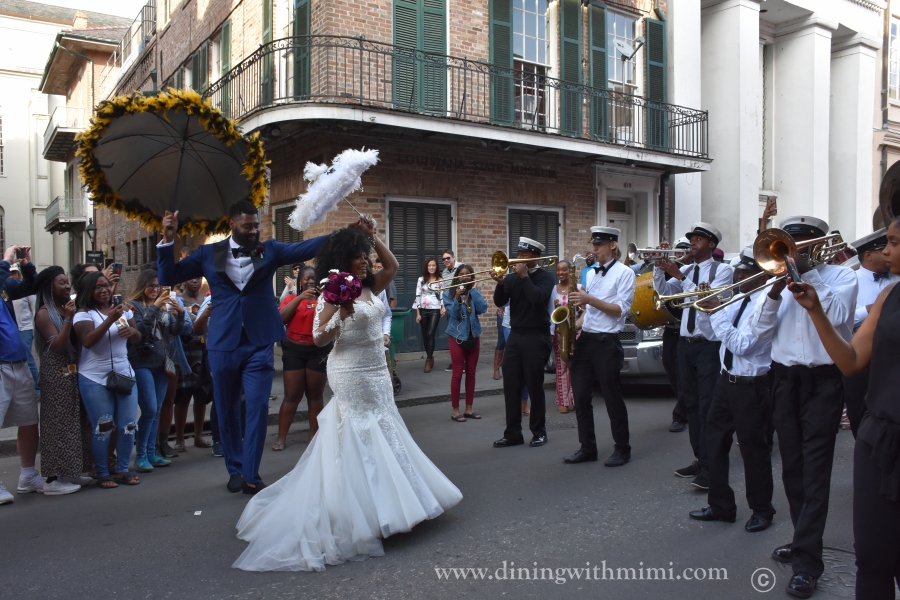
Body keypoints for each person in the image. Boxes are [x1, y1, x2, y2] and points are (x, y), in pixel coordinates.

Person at [233, 221, 462, 572]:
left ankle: (398, 504)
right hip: (349, 371)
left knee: (386, 427)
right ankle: (369, 514)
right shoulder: (331, 292)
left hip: (377, 369)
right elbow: (320, 338)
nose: (365, 260)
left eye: (365, 254)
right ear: (342, 260)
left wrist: (372, 237)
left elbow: (394, 266)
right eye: (358, 255)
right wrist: (339, 316)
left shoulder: (373, 285)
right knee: (359, 434)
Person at [157, 200, 326, 494]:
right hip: (224, 341)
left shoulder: (270, 249)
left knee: (258, 405)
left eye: (256, 225)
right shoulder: (208, 253)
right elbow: (168, 276)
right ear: (232, 224)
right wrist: (169, 239)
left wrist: (349, 233)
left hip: (260, 340)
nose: (253, 230)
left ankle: (251, 473)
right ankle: (234, 469)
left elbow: (306, 248)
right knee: (227, 408)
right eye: (247, 225)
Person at [747, 215, 858, 599]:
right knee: (792, 468)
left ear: (816, 246)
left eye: (799, 246)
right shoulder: (772, 283)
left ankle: (807, 564)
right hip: (783, 379)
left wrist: (809, 279)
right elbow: (758, 334)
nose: (790, 253)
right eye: (786, 246)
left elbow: (840, 317)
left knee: (815, 471)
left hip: (823, 382)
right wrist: (775, 292)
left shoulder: (842, 277)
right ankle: (802, 540)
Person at [791, 216, 900, 599]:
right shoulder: (889, 298)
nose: (885, 252)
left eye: (894, 243)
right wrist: (816, 311)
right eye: (886, 242)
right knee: (871, 558)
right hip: (879, 437)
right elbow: (852, 361)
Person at [688, 247, 775, 533]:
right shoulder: (738, 297)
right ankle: (721, 506)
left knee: (754, 451)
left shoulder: (767, 304)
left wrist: (716, 311)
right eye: (738, 270)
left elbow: (742, 345)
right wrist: (707, 308)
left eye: (745, 272)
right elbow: (715, 334)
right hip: (726, 381)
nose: (738, 276)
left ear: (762, 276)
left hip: (751, 386)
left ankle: (762, 510)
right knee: (714, 443)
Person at [654, 222, 734, 490]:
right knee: (690, 404)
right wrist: (659, 267)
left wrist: (677, 272)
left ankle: (713, 466)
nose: (692, 243)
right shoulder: (686, 269)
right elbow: (665, 294)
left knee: (708, 405)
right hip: (685, 343)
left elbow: (706, 296)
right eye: (691, 239)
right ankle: (701, 459)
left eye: (699, 239)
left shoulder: (724, 270)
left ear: (712, 244)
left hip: (708, 345)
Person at [564, 227, 636, 466]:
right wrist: (575, 323)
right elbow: (590, 310)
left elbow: (619, 310)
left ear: (612, 245)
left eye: (599, 244)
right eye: (593, 244)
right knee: (581, 397)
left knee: (612, 397)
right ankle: (587, 448)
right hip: (587, 339)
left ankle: (622, 448)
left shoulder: (625, 273)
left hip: (607, 342)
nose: (594, 248)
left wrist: (589, 299)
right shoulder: (592, 274)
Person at [73, 271, 142, 488]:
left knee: (128, 425)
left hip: (124, 373)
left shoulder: (123, 311)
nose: (104, 290)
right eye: (98, 287)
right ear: (88, 291)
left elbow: (138, 337)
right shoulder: (83, 314)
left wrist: (132, 332)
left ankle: (122, 469)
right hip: (94, 377)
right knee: (104, 426)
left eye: (106, 286)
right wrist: (110, 319)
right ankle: (102, 472)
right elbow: (88, 341)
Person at [32, 267, 92, 495]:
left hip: (72, 369)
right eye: (61, 283)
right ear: (50, 287)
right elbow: (57, 346)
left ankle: (72, 470)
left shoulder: (68, 307)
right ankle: (52, 478)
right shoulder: (44, 313)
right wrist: (68, 319)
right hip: (55, 372)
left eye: (68, 283)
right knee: (58, 425)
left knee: (75, 421)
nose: (67, 287)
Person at [492, 237, 555, 449]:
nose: (518, 259)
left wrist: (524, 276)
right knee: (510, 385)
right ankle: (513, 433)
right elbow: (500, 301)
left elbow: (537, 298)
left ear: (536, 257)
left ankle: (539, 432)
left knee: (534, 384)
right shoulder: (511, 278)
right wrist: (501, 284)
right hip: (516, 335)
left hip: (537, 336)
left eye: (524, 256)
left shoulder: (546, 277)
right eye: (518, 255)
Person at [127, 269, 188, 472]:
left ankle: (152, 452)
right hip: (141, 362)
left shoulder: (162, 308)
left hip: (161, 363)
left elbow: (173, 332)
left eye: (158, 286)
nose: (155, 289)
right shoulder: (133, 306)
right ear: (142, 286)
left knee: (157, 409)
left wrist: (179, 314)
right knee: (150, 409)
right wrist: (154, 308)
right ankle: (141, 455)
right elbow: (140, 333)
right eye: (151, 285)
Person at [0, 246, 46, 505]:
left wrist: (27, 266)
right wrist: (6, 261)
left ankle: (28, 475)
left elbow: (29, 287)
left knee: (29, 420)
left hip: (16, 362)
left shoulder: (3, 286)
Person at [843, 228, 899, 437]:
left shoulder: (894, 279)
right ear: (868, 255)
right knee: (860, 411)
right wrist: (869, 310)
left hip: (888, 354)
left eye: (892, 244)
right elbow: (844, 318)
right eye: (883, 247)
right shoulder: (850, 278)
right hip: (860, 345)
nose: (886, 252)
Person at [273, 266, 332, 450]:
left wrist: (325, 298)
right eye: (307, 279)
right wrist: (300, 297)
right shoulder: (291, 299)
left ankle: (313, 437)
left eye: (313, 279)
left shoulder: (324, 300)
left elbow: (333, 318)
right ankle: (281, 438)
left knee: (315, 395)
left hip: (318, 351)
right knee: (292, 395)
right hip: (294, 351)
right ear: (300, 281)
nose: (310, 282)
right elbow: (280, 318)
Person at [172, 278, 213, 451]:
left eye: (198, 278)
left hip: (205, 351)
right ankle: (180, 439)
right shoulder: (178, 300)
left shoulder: (207, 299)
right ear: (183, 282)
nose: (195, 281)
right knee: (183, 395)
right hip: (186, 352)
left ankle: (198, 436)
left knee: (201, 394)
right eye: (191, 279)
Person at [443, 264, 486, 422]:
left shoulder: (474, 292)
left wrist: (474, 291)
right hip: (456, 336)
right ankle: (455, 410)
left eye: (468, 274)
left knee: (472, 374)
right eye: (461, 274)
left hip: (473, 335)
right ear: (457, 276)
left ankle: (469, 409)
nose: (464, 276)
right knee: (457, 374)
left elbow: (483, 308)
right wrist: (456, 298)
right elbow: (453, 314)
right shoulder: (448, 294)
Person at [664, 237, 691, 433]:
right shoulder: (669, 274)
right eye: (677, 251)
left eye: (683, 251)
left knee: (683, 376)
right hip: (670, 328)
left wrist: (678, 272)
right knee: (672, 372)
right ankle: (685, 407)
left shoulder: (693, 272)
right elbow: (659, 289)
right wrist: (660, 264)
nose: (680, 255)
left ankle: (680, 414)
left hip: (686, 330)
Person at [550, 260, 582, 415]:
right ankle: (564, 401)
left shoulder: (579, 288)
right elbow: (551, 313)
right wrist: (551, 333)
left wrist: (577, 326)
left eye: (564, 270)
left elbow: (586, 310)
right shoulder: (553, 290)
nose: (561, 273)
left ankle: (577, 399)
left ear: (570, 271)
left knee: (576, 367)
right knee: (561, 368)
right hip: (560, 334)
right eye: (558, 270)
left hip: (576, 332)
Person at [8, 265, 39, 390]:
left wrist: (35, 330)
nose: (13, 275)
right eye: (11, 273)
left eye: (15, 273)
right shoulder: (7, 289)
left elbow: (34, 310)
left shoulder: (24, 291)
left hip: (25, 328)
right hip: (13, 329)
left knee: (28, 358)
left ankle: (37, 387)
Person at [413, 256, 443, 373]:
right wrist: (418, 313)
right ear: (427, 267)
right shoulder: (421, 280)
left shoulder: (440, 280)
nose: (431, 267)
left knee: (430, 333)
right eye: (429, 265)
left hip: (435, 309)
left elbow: (442, 296)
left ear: (436, 267)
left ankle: (429, 359)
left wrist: (443, 307)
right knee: (425, 335)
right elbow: (417, 296)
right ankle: (430, 356)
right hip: (423, 310)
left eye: (433, 265)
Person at [441, 250, 461, 372]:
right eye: (444, 259)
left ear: (454, 257)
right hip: (450, 306)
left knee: (460, 332)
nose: (446, 261)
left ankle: (461, 362)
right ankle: (455, 362)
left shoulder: (461, 268)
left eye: (448, 258)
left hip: (460, 305)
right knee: (452, 333)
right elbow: (444, 291)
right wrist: (444, 306)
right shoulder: (444, 272)